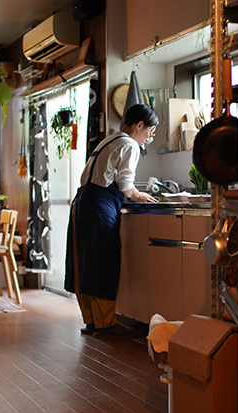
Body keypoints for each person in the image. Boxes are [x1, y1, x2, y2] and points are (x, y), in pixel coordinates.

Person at [65, 104, 159, 338]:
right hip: (99, 206)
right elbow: (125, 184)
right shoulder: (130, 144)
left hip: (82, 202)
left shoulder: (108, 140)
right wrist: (139, 195)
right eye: (149, 132)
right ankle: (106, 324)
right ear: (139, 125)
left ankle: (92, 322)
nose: (148, 138)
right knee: (102, 263)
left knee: (85, 264)